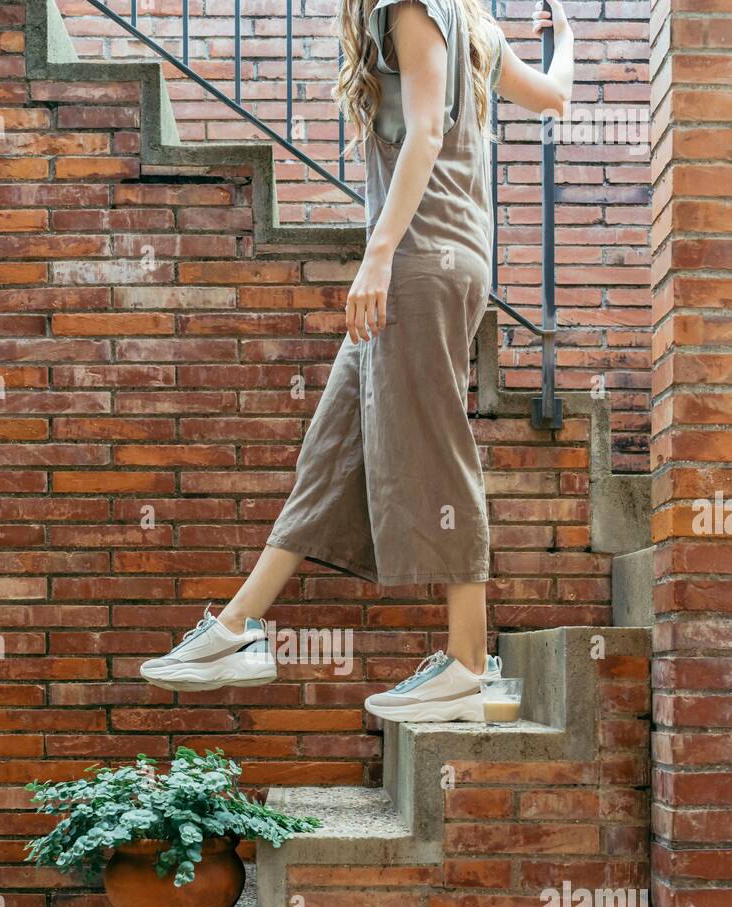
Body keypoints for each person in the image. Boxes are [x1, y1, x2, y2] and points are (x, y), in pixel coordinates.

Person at [142, 0, 574, 723]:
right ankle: (238, 629)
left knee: (437, 448)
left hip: (417, 265)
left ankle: (469, 663)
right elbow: (553, 97)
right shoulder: (476, 27)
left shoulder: (412, 7)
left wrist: (376, 255)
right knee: (333, 448)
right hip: (442, 261)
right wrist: (569, 40)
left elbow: (427, 129)